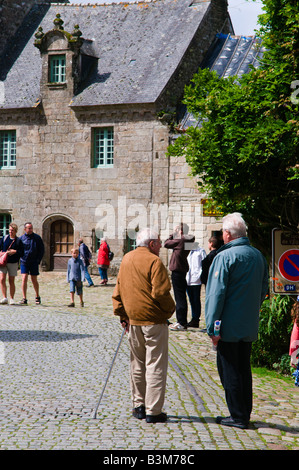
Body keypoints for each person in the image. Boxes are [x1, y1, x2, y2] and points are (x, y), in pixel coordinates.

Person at [205, 213, 268, 429]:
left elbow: (216, 295)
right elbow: (263, 290)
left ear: (228, 234)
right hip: (248, 323)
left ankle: (237, 416)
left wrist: (212, 327)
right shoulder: (258, 255)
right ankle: (244, 412)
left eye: (223, 231)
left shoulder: (224, 257)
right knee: (243, 369)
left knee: (229, 369)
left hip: (228, 326)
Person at [112, 228, 175, 423]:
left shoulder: (127, 259)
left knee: (137, 364)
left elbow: (118, 290)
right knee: (155, 364)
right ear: (151, 244)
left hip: (133, 320)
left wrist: (123, 315)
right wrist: (170, 311)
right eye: (158, 242)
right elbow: (161, 293)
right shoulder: (154, 261)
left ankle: (138, 405)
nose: (161, 245)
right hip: (154, 321)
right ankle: (153, 411)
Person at [164, 223, 195, 330]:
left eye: (177, 229)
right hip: (182, 269)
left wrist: (173, 234)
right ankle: (182, 321)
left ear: (181, 231)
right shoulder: (187, 240)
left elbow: (166, 243)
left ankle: (181, 322)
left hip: (177, 270)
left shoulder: (181, 240)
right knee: (181, 296)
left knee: (179, 297)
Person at [19, 222, 45, 305]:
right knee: (24, 279)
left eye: (31, 228)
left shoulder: (37, 238)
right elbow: (19, 250)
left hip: (34, 261)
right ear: (25, 229)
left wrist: (38, 260)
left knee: (34, 280)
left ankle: (37, 296)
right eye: (28, 228)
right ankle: (24, 298)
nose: (30, 229)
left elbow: (41, 250)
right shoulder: (21, 239)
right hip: (24, 261)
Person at [0, 223, 23, 305]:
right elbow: (0, 247)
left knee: (11, 280)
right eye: (9, 230)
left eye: (12, 230)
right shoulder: (4, 238)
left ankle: (12, 298)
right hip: (3, 262)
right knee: (2, 279)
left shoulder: (18, 240)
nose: (10, 232)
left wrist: (15, 251)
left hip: (13, 263)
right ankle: (4, 297)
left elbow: (22, 252)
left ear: (16, 231)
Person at [185, 242, 206, 328]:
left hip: (196, 279)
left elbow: (204, 264)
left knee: (196, 299)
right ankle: (193, 318)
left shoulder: (200, 251)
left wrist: (200, 275)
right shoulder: (186, 251)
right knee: (190, 299)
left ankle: (196, 319)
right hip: (187, 278)